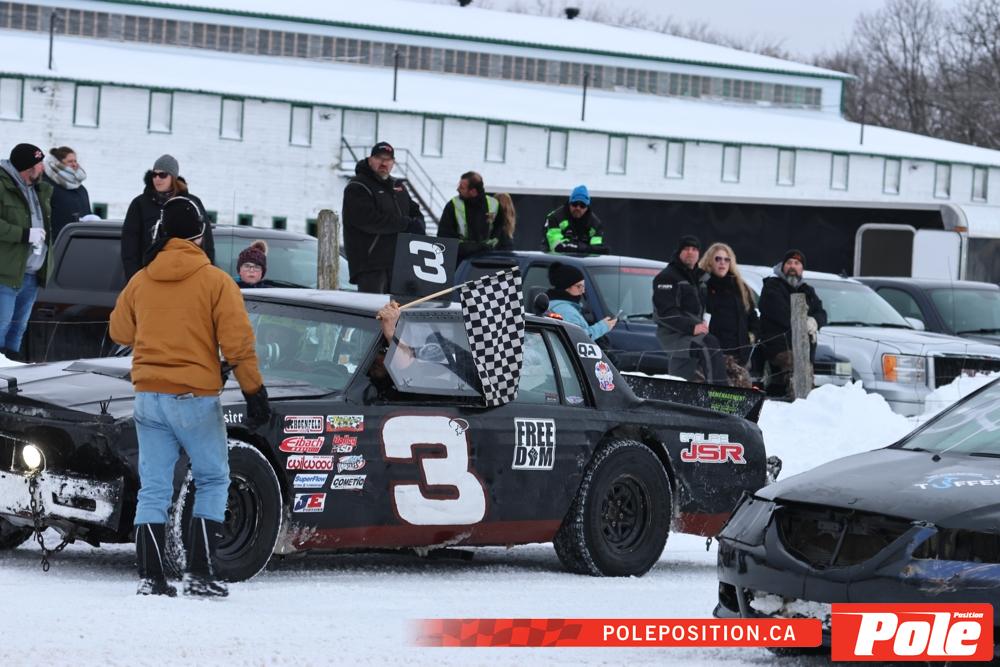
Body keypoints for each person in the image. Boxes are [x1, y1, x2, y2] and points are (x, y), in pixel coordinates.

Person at [109, 196, 271, 598]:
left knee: (154, 488)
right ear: (200, 234)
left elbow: (119, 332)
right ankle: (199, 574)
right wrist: (254, 392)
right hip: (195, 398)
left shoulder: (141, 279)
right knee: (213, 478)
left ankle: (151, 578)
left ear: (162, 232)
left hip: (148, 397)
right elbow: (238, 345)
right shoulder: (216, 281)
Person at [342, 141, 425, 293]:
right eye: (379, 158)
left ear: (393, 162)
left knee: (399, 307)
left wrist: (418, 224)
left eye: (388, 159)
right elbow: (368, 220)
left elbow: (414, 211)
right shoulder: (358, 186)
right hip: (370, 265)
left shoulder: (397, 186)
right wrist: (405, 224)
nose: (384, 163)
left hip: (399, 263)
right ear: (370, 160)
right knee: (372, 307)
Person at [121, 154, 215, 282]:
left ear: (173, 177)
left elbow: (207, 241)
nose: (157, 179)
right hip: (151, 276)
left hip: (188, 275)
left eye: (162, 175)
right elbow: (129, 247)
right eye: (154, 174)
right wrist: (135, 279)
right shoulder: (140, 204)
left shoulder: (192, 203)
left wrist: (207, 274)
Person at [0, 143, 51, 360]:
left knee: (17, 331)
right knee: (1, 327)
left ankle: (10, 372)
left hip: (32, 274)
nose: (43, 168)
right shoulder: (3, 186)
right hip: (6, 274)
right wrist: (24, 234)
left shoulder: (39, 189)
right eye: (39, 163)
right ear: (27, 167)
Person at [652, 235, 726, 384]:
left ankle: (683, 393)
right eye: (686, 249)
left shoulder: (700, 278)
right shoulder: (667, 277)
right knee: (707, 345)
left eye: (694, 249)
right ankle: (719, 391)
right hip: (674, 333)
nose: (690, 252)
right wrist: (692, 327)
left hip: (693, 333)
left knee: (681, 378)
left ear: (699, 254)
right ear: (679, 252)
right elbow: (665, 313)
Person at [758, 249, 828, 396]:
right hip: (777, 346)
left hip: (804, 348)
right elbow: (781, 314)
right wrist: (803, 322)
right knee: (797, 365)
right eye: (789, 262)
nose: (792, 266)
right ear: (783, 266)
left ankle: (803, 400)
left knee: (805, 373)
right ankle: (797, 399)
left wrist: (814, 321)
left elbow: (822, 313)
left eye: (797, 263)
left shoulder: (807, 290)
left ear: (802, 268)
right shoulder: (772, 286)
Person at [698, 242, 759, 388]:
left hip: (740, 355)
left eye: (727, 259)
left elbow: (753, 317)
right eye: (718, 259)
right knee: (718, 394)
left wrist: (752, 336)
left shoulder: (741, 287)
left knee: (742, 395)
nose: (722, 263)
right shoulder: (701, 285)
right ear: (709, 261)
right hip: (712, 354)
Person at [437, 171, 513, 261]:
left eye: (462, 187)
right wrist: (467, 248)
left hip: (488, 260)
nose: (457, 189)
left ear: (473, 191)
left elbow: (501, 234)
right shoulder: (453, 205)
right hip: (460, 260)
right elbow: (444, 236)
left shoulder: (494, 205)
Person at [545, 262, 616, 341]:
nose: (582, 291)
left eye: (583, 286)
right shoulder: (565, 311)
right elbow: (577, 339)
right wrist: (602, 327)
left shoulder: (557, 304)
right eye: (579, 286)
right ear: (565, 286)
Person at [43, 146, 91, 240]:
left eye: (75, 161)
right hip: (57, 241)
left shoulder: (81, 188)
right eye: (70, 161)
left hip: (80, 239)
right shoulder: (47, 186)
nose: (74, 164)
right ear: (58, 163)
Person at [542, 185, 608, 254]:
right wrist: (583, 247)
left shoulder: (595, 224)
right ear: (569, 203)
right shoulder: (555, 218)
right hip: (554, 258)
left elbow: (596, 251)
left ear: (587, 207)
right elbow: (556, 246)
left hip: (584, 259)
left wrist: (582, 248)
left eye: (582, 205)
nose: (578, 208)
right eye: (575, 204)